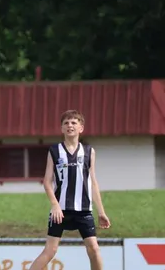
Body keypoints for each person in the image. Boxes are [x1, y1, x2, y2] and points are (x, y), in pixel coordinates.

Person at [28, 110, 110, 270]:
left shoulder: (89, 152)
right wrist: (55, 205)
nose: (70, 125)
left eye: (74, 122)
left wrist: (101, 212)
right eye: (66, 123)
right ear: (61, 128)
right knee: (50, 250)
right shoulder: (54, 151)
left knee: (94, 249)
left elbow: (93, 182)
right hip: (61, 211)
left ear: (81, 128)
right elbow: (47, 181)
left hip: (84, 210)